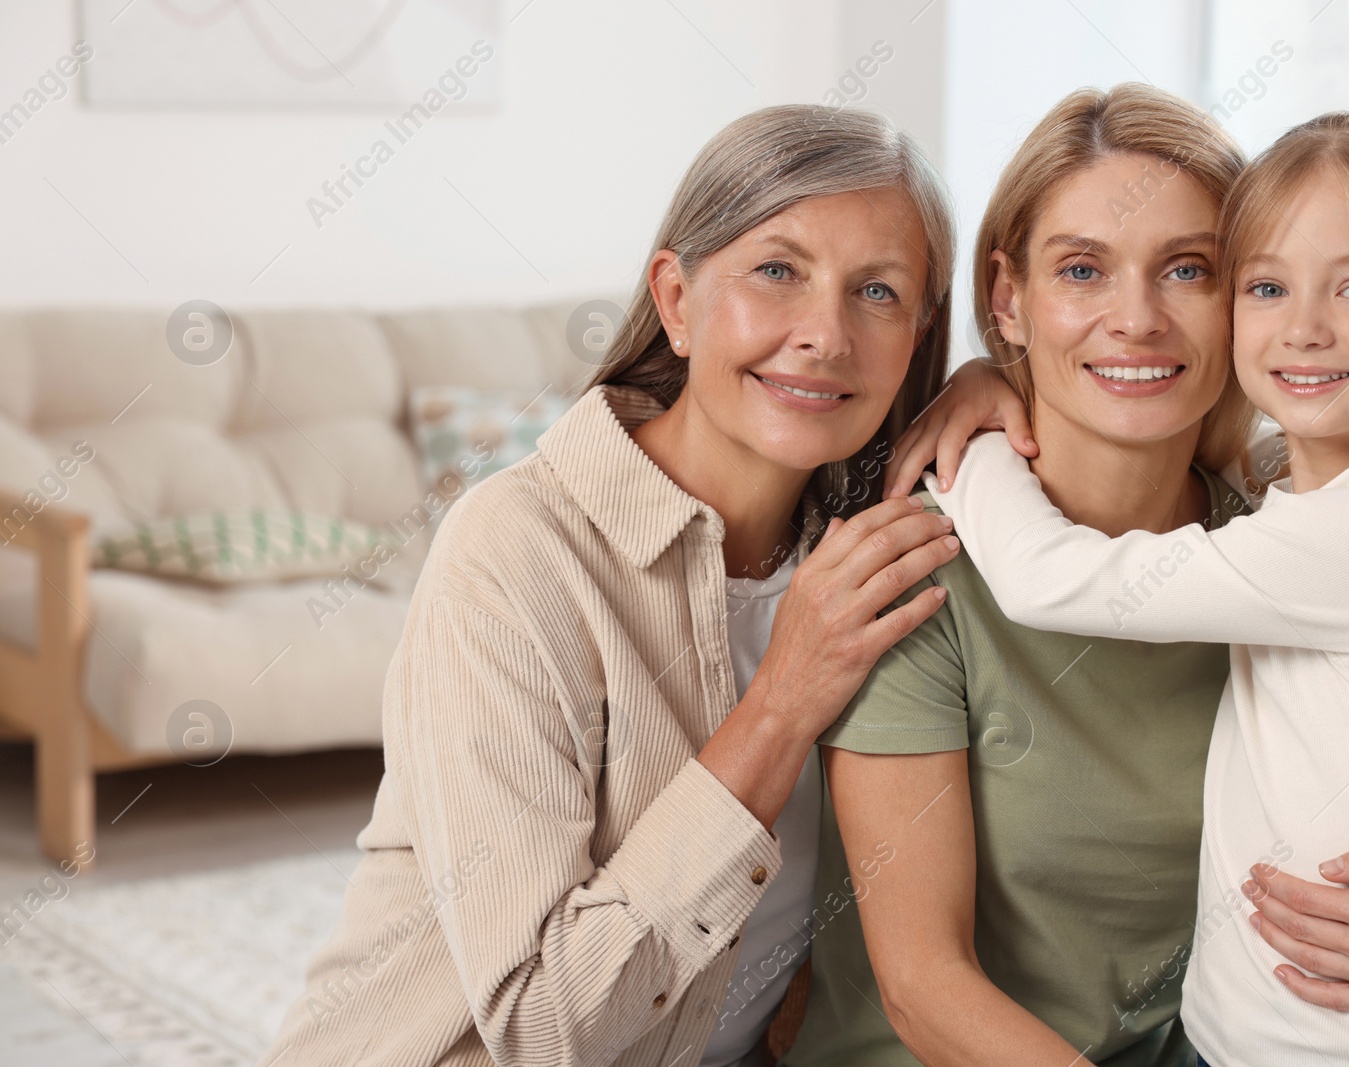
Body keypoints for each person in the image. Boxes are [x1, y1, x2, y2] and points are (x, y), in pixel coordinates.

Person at [781, 84, 1349, 1067]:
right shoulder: (921, 575)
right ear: (1008, 297)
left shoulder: (1264, 548)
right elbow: (923, 990)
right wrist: (981, 394)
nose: (1134, 318)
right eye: (1081, 268)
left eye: (1189, 269)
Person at [257, 103, 962, 1067]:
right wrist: (783, 700)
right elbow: (546, 1027)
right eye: (778, 270)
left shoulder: (881, 551)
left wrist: (999, 391)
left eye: (877, 292)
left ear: (920, 337)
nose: (826, 334)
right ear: (675, 299)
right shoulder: (516, 550)